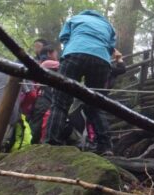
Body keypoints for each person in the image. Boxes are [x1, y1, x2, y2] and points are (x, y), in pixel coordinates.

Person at [44, 10, 116, 155]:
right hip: (101, 59)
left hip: (74, 53)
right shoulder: (108, 26)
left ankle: (52, 142)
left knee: (60, 101)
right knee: (95, 105)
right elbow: (111, 47)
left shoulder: (75, 19)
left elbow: (64, 37)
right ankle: (105, 146)